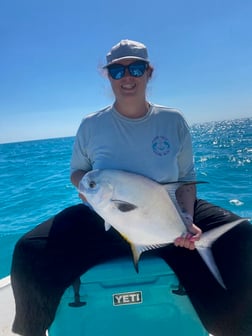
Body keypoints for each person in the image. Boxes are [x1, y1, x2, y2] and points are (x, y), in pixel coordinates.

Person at [11, 39, 252, 336]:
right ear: (107, 75)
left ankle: (235, 328)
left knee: (241, 235)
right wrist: (87, 189)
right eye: (117, 70)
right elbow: (77, 173)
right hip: (105, 216)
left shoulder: (172, 120)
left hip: (167, 213)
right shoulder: (91, 125)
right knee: (29, 250)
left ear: (149, 73)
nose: (127, 77)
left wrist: (186, 221)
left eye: (136, 68)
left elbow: (187, 178)